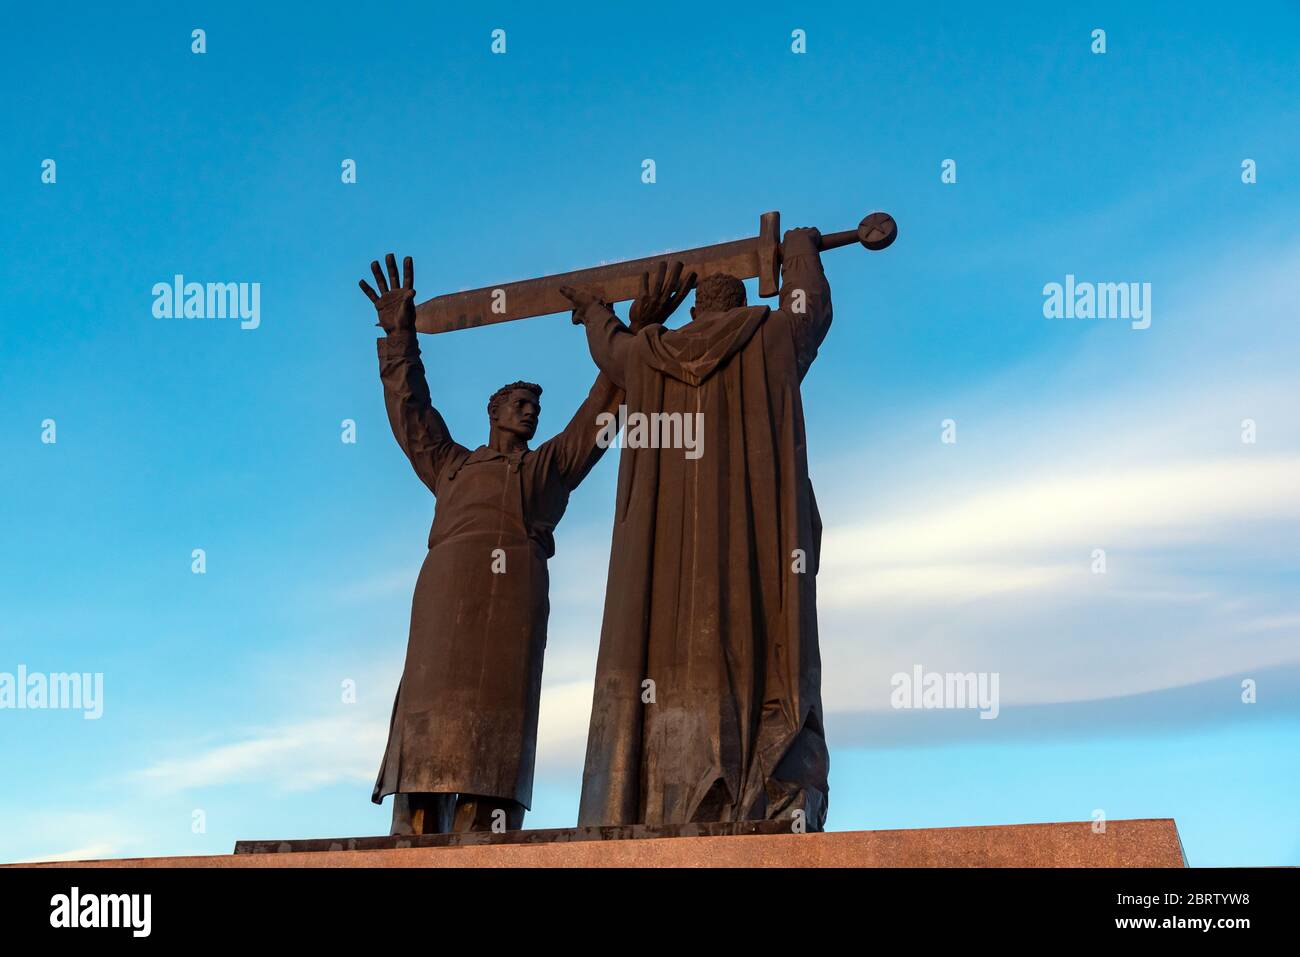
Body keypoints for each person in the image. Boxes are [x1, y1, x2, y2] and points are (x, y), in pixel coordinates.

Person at [359, 253, 691, 834]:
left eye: (536, 406)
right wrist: (399, 337)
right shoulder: (452, 466)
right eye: (519, 403)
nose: (530, 411)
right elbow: (410, 412)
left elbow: (602, 410)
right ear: (492, 411)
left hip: (513, 606)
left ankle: (486, 830)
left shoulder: (549, 469)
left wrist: (632, 334)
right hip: (444, 602)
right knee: (424, 739)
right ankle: (409, 832)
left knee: (495, 749)